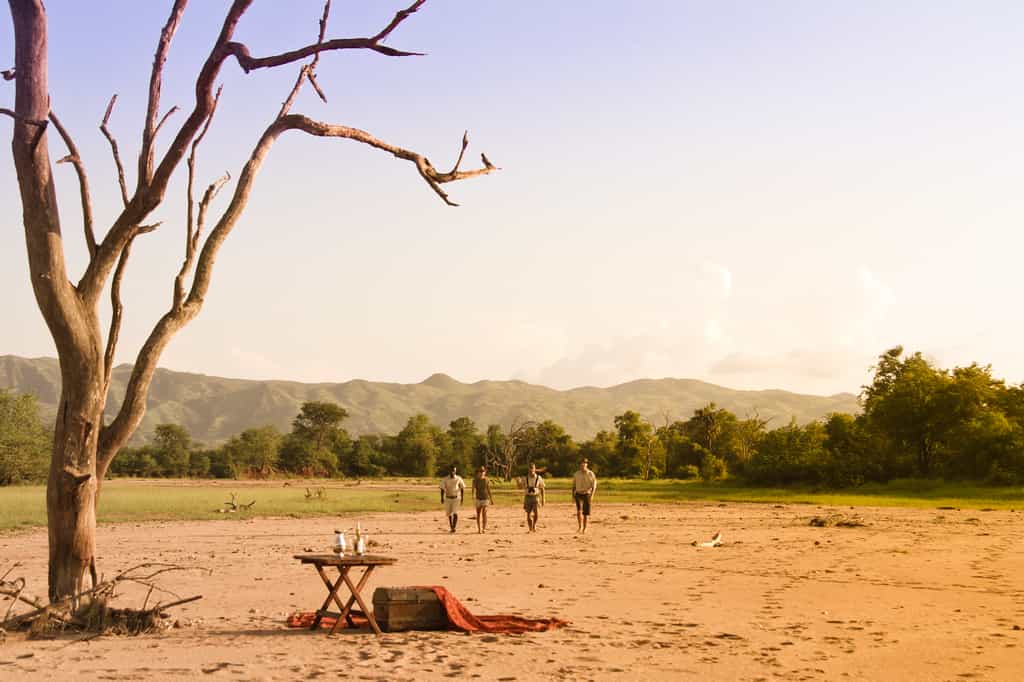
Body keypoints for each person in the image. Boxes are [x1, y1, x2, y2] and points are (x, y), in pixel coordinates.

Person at [571, 458, 598, 533]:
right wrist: (572, 496)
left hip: (587, 494)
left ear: (587, 464)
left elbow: (594, 486)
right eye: (581, 463)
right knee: (579, 511)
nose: (583, 464)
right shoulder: (576, 474)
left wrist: (592, 495)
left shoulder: (591, 474)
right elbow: (573, 486)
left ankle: (584, 528)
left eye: (584, 463)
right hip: (578, 493)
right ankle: (580, 527)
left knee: (585, 513)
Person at [439, 464, 465, 533]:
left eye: (454, 471)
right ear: (449, 471)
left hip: (456, 498)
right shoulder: (445, 479)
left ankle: (454, 527)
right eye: (452, 470)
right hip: (448, 498)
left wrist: (462, 498)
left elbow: (462, 488)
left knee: (455, 512)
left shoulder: (459, 478)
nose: (453, 472)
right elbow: (442, 488)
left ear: (455, 471)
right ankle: (451, 526)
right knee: (449, 513)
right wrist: (441, 498)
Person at [523, 462, 545, 532]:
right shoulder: (525, 478)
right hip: (528, 497)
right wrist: (518, 482)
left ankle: (534, 525)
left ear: (535, 469)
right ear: (528, 469)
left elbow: (542, 488)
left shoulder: (539, 478)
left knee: (536, 513)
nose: (531, 470)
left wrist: (543, 499)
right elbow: (521, 487)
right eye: (530, 469)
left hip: (536, 497)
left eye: (532, 469)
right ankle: (530, 528)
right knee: (528, 514)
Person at [472, 466, 494, 533]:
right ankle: (479, 529)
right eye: (480, 471)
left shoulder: (487, 480)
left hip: (485, 498)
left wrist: (491, 499)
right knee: (478, 514)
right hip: (478, 498)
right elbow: (473, 489)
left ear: (485, 472)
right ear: (478, 472)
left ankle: (484, 528)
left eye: (483, 471)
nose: (481, 473)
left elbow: (489, 490)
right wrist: (472, 495)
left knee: (484, 512)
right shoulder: (475, 480)